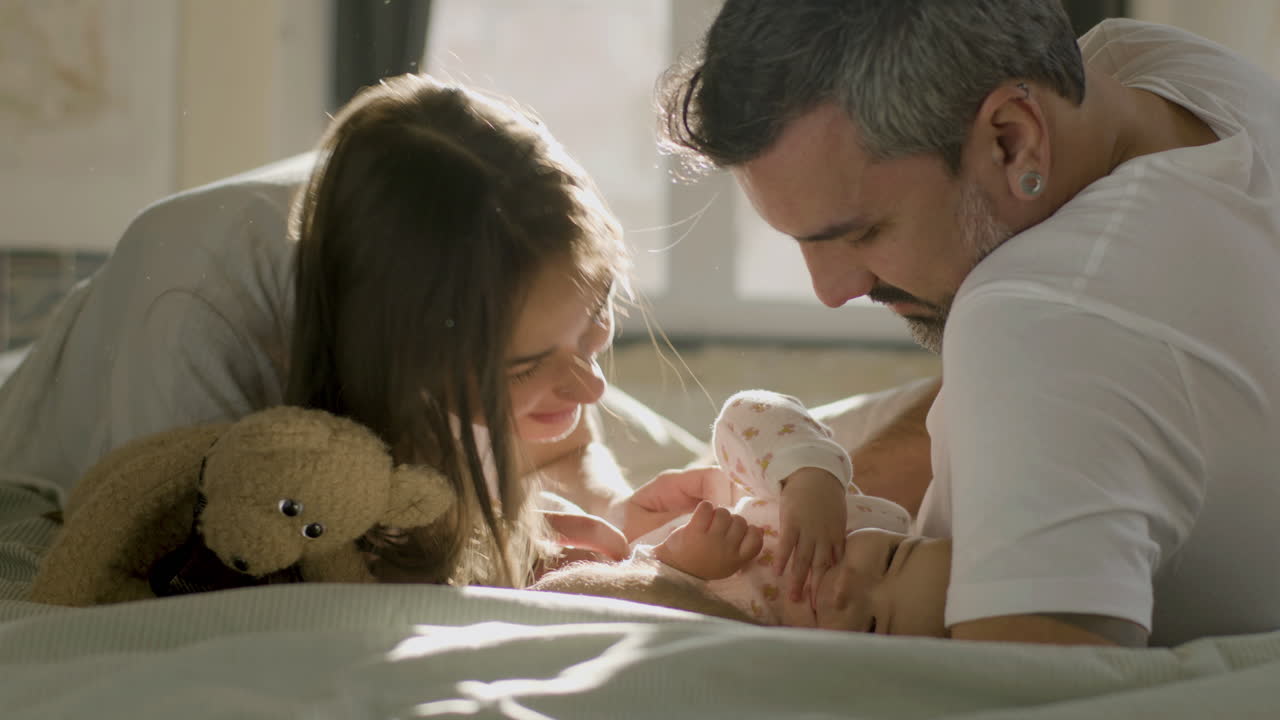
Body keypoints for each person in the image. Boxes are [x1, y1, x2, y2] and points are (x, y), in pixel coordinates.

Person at [656, 0, 1280, 647]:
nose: (832, 291)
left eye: (865, 231)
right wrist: (820, 497)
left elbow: (1024, 693)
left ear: (1012, 137)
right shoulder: (1166, 73)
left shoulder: (1035, 316)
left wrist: (651, 590)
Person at [0, 73, 641, 589]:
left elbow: (566, 445)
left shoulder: (478, 212)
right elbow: (220, 552)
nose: (590, 387)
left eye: (597, 318)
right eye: (523, 368)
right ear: (396, 348)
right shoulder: (190, 313)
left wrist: (617, 508)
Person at [629, 389, 919, 627]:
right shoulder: (849, 517)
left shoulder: (778, 643)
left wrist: (677, 566)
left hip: (623, 569)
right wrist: (809, 474)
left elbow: (639, 615)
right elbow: (744, 412)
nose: (846, 587)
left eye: (872, 624)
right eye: (890, 560)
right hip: (676, 499)